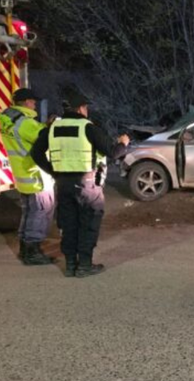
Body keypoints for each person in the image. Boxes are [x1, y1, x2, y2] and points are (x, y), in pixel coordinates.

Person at [31, 91, 130, 278]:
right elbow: (112, 152)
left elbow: (36, 154)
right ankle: (84, 265)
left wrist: (54, 171)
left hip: (63, 184)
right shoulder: (88, 127)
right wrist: (123, 143)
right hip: (87, 185)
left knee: (68, 225)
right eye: (86, 107)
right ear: (81, 108)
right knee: (88, 224)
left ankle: (70, 266)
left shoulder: (52, 128)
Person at [0, 88, 55, 265]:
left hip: (22, 175)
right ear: (25, 102)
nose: (35, 104)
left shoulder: (8, 120)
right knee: (40, 212)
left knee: (29, 213)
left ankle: (25, 249)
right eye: (33, 101)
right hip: (36, 175)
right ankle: (32, 253)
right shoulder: (26, 123)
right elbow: (46, 139)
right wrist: (50, 126)